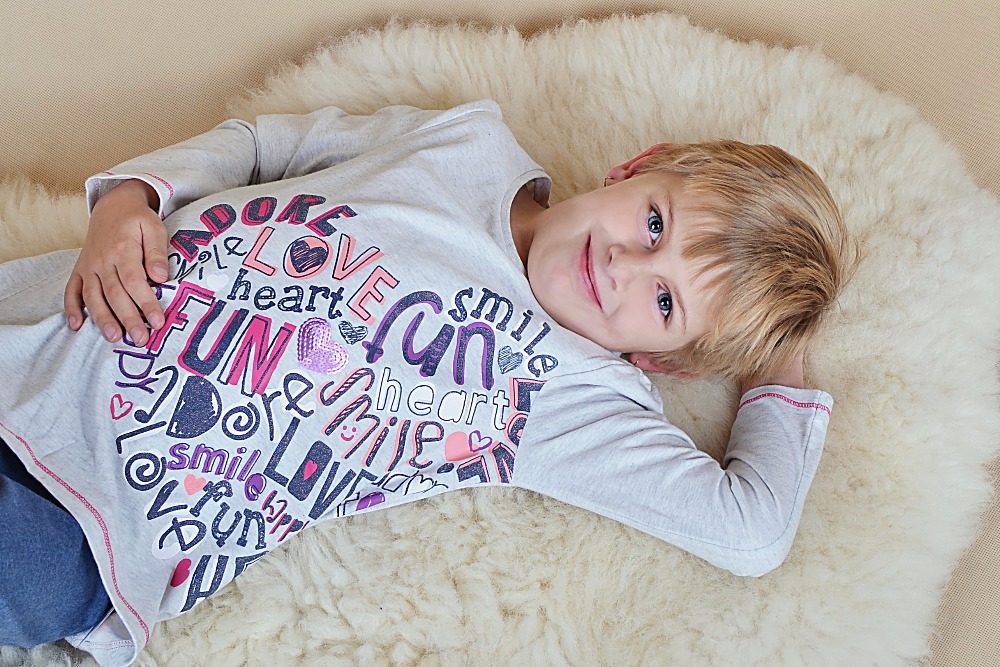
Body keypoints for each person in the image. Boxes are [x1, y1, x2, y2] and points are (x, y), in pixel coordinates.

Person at [0, 100, 851, 666]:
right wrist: (131, 196)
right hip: (37, 339)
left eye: (664, 302)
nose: (625, 264)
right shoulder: (468, 144)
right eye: (655, 222)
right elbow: (264, 147)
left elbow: (752, 531)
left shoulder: (578, 401)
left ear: (663, 360)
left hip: (90, 529)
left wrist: (778, 348)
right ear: (637, 167)